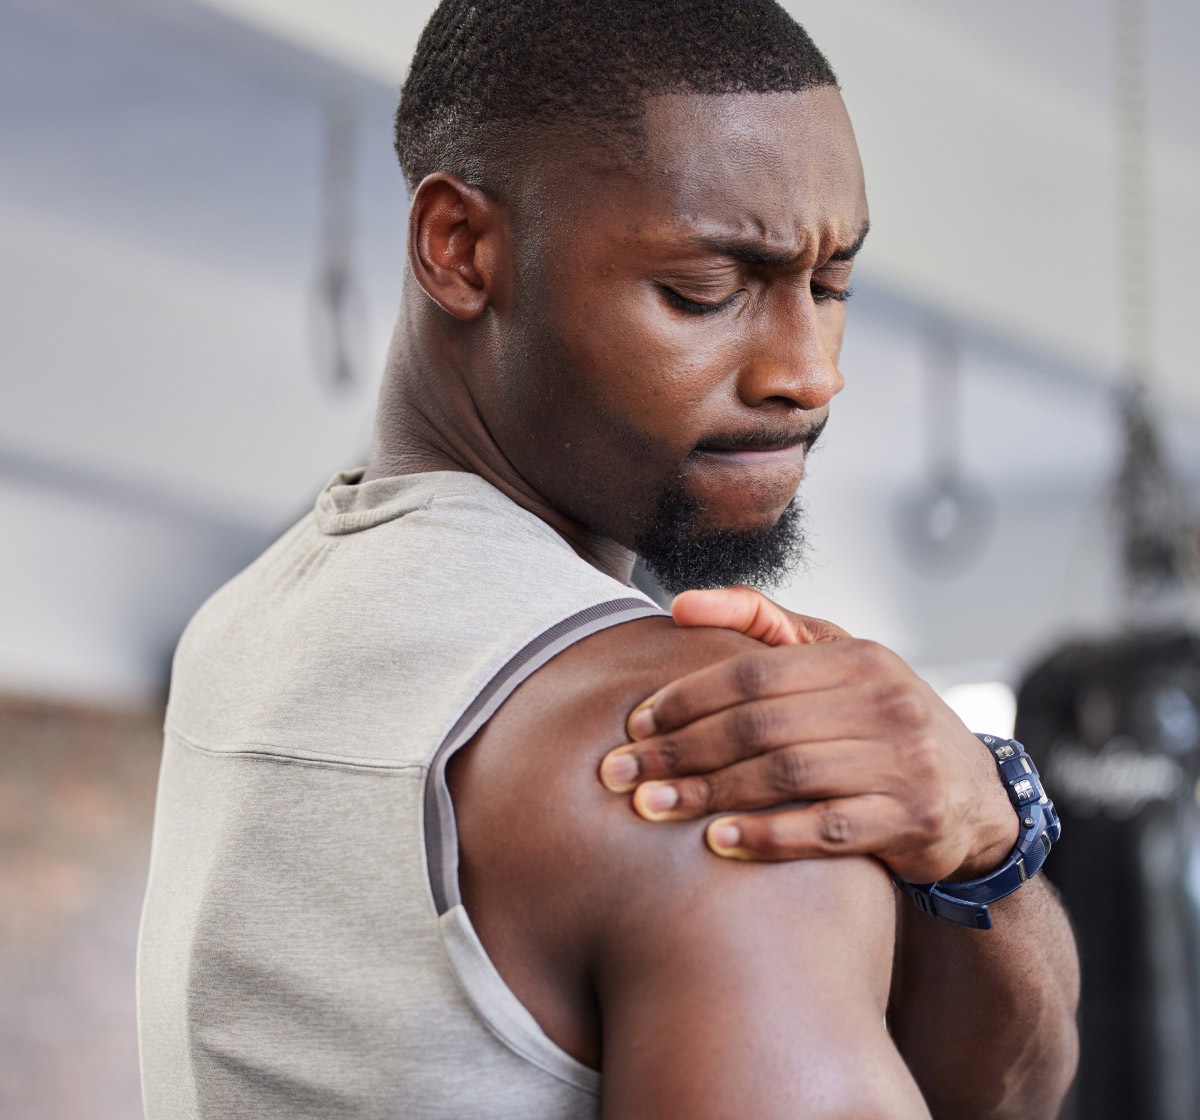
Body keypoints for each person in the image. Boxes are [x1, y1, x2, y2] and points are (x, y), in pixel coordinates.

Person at [137, 1, 1080, 1117]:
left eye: (828, 288)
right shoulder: (708, 752)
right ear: (461, 248)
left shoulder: (240, 628)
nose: (809, 374)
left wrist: (986, 835)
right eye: (707, 290)